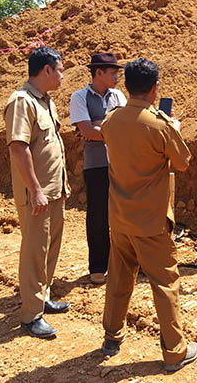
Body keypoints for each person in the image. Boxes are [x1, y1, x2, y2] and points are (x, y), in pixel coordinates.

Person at [100, 58, 197, 372]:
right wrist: (175, 128)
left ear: (127, 85)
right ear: (155, 89)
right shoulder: (159, 124)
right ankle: (175, 351)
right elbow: (182, 162)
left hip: (119, 216)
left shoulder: (110, 120)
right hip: (151, 221)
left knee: (118, 277)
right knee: (165, 283)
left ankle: (112, 336)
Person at [4, 46, 71, 339]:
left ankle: (42, 298)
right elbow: (19, 147)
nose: (62, 75)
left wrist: (62, 184)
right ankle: (31, 316)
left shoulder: (46, 102)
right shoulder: (21, 102)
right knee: (34, 251)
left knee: (50, 247)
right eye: (60, 69)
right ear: (46, 70)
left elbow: (52, 147)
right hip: (37, 195)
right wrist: (36, 189)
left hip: (54, 191)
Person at [69, 52, 126, 285]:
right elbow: (86, 131)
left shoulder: (119, 96)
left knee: (123, 215)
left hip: (121, 163)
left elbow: (120, 127)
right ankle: (98, 266)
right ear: (98, 73)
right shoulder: (79, 97)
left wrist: (99, 128)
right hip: (97, 165)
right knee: (98, 216)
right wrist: (107, 130)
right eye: (112, 72)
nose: (116, 77)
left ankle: (124, 262)